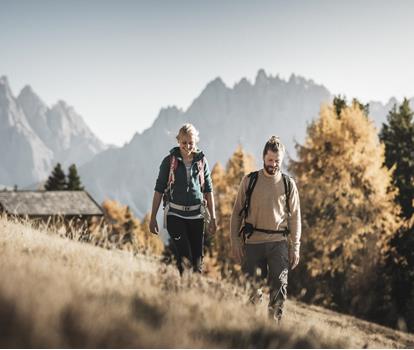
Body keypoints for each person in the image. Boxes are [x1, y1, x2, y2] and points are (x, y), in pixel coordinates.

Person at [230, 136, 301, 322]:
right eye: (270, 160)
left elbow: (295, 218)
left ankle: (272, 331)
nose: (274, 164)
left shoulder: (288, 184)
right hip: (253, 243)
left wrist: (295, 247)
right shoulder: (250, 181)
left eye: (277, 161)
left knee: (279, 287)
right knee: (253, 290)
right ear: (263, 158)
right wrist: (235, 242)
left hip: (279, 244)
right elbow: (237, 212)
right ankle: (251, 329)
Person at [149, 123, 217, 274]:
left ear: (196, 141)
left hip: (197, 216)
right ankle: (183, 291)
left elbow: (208, 190)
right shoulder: (169, 161)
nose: (187, 146)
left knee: (197, 264)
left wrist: (213, 217)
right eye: (184, 142)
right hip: (175, 216)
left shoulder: (201, 161)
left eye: (191, 142)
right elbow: (159, 190)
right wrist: (152, 217)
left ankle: (192, 295)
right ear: (178, 141)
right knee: (185, 258)